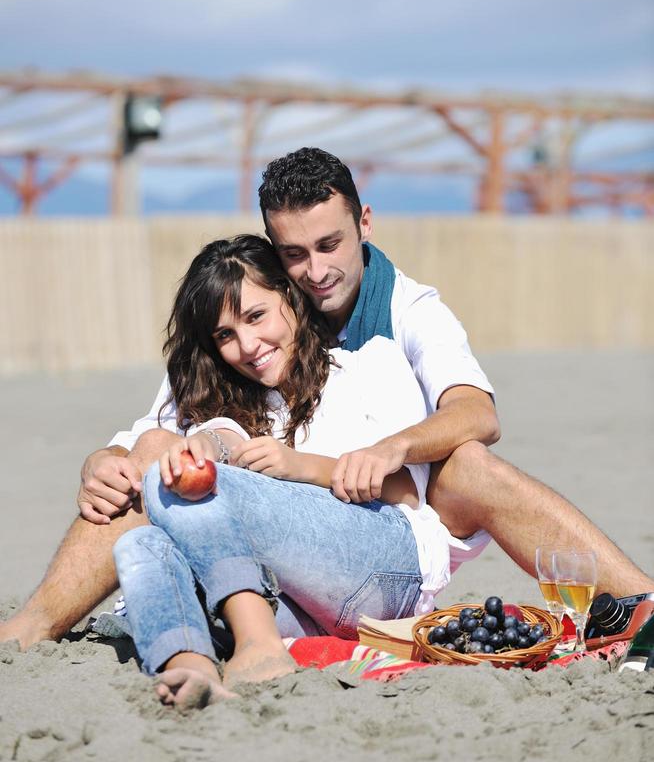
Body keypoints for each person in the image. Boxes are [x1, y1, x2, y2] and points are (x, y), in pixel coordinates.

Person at [1, 147, 652, 651]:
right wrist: (102, 461)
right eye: (295, 255)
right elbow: (153, 432)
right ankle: (34, 626)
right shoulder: (249, 328)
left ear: (363, 223)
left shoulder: (401, 313)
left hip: (411, 522)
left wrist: (388, 447)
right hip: (301, 542)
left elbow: (477, 415)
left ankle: (638, 601)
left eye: (330, 245)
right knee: (150, 466)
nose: (315, 271)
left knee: (466, 464)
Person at [111, 234, 449, 707]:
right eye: (224, 335)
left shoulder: (369, 365)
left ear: (290, 297)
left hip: (389, 570)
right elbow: (217, 436)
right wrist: (202, 446)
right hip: (299, 602)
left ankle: (258, 644)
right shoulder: (240, 402)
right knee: (139, 542)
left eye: (255, 316)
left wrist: (300, 466)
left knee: (170, 485)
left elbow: (408, 494)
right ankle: (192, 665)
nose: (247, 345)